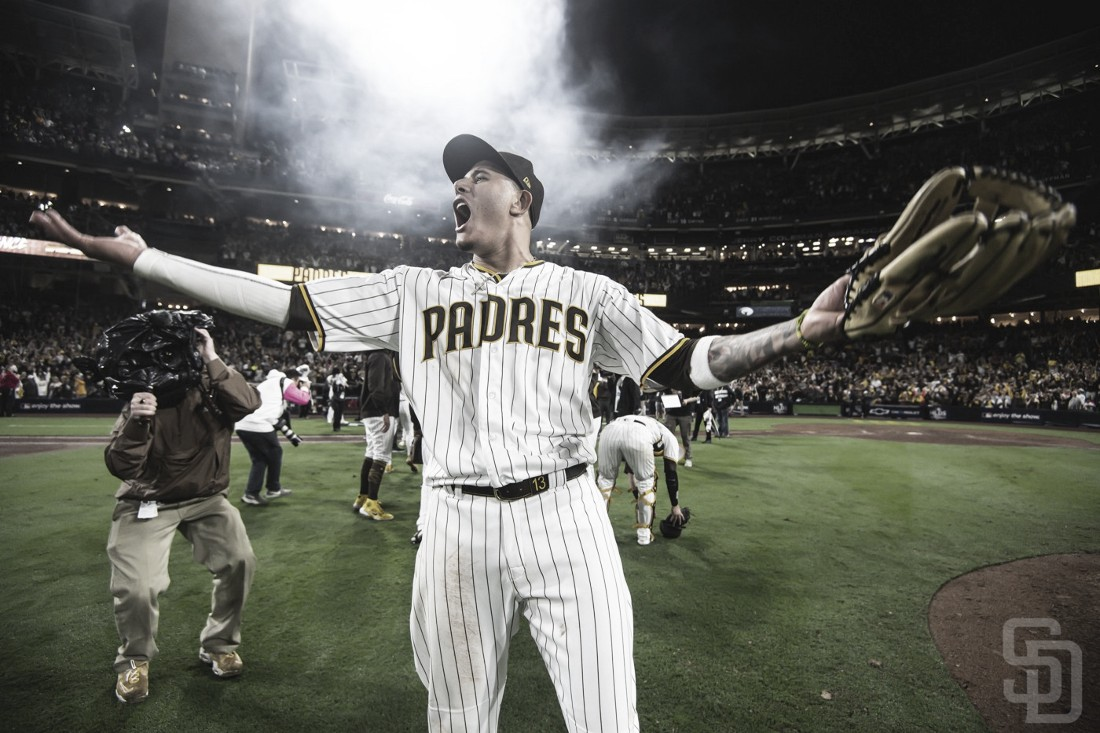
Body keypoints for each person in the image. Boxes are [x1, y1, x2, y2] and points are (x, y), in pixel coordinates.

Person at [30, 133, 849, 732]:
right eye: (455, 179)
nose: (459, 186)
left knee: (608, 717)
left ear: (521, 198)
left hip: (567, 516)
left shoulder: (588, 291)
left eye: (478, 175)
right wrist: (145, 260)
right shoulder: (412, 290)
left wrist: (797, 333)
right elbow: (277, 301)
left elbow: (692, 362)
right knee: (457, 719)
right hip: (454, 522)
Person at [84, 311, 261, 704]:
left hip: (206, 496)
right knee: (137, 586)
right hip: (148, 500)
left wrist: (212, 355)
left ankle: (219, 645)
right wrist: (137, 422)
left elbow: (248, 402)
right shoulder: (142, 398)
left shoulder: (211, 385)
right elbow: (122, 466)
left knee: (240, 561)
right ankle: (134, 659)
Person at [596, 414, 688, 545]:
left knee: (604, 482)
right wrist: (675, 505)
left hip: (609, 430)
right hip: (638, 434)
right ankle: (644, 536)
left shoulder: (653, 426)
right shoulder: (671, 440)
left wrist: (644, 504)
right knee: (646, 483)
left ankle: (595, 531)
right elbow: (671, 474)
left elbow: (632, 478)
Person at [234, 368, 306, 506]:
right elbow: (304, 399)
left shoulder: (267, 385)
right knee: (272, 453)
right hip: (257, 424)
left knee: (262, 458)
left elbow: (274, 419)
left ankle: (267, 489)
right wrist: (305, 387)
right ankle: (260, 491)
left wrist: (291, 435)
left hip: (243, 424)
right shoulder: (285, 382)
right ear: (294, 379)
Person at [352, 348, 400, 520]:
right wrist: (383, 410)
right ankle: (371, 504)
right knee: (381, 455)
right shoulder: (380, 356)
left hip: (373, 412)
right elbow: (376, 386)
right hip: (379, 412)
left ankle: (364, 496)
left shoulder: (376, 355)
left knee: (372, 453)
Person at [660, 387, 697, 467]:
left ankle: (688, 458)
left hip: (685, 413)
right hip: (671, 413)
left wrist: (687, 400)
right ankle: (669, 457)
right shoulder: (669, 383)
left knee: (685, 436)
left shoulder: (687, 384)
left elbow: (696, 396)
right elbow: (663, 394)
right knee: (668, 437)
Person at [326, 366, 348, 432]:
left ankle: (339, 423)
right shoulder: (331, 378)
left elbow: (345, 384)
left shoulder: (342, 378)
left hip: (341, 396)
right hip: (334, 395)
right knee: (335, 410)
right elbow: (331, 383)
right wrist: (337, 379)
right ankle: (332, 422)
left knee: (339, 411)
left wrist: (341, 379)